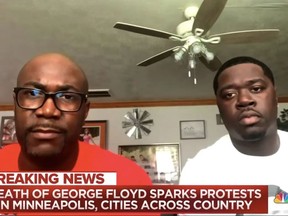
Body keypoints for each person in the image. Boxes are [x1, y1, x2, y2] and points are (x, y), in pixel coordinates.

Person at [0, 53, 159, 216]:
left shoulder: (129, 182)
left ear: (85, 112)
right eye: (33, 93)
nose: (47, 111)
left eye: (67, 97)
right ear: (15, 103)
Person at [179, 56, 288, 215]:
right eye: (229, 94)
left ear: (275, 96)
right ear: (219, 107)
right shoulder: (200, 172)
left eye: (256, 88)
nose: (244, 100)